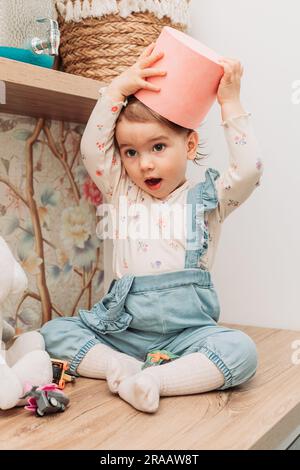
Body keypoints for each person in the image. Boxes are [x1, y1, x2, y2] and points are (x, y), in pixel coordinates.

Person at [41, 42, 264, 413]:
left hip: (188, 335)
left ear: (189, 145)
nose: (144, 164)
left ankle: (154, 380)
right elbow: (93, 150)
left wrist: (230, 103)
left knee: (241, 352)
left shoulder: (210, 199)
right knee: (53, 333)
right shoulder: (121, 191)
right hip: (122, 335)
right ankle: (120, 367)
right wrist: (116, 91)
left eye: (158, 147)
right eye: (130, 152)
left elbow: (250, 169)